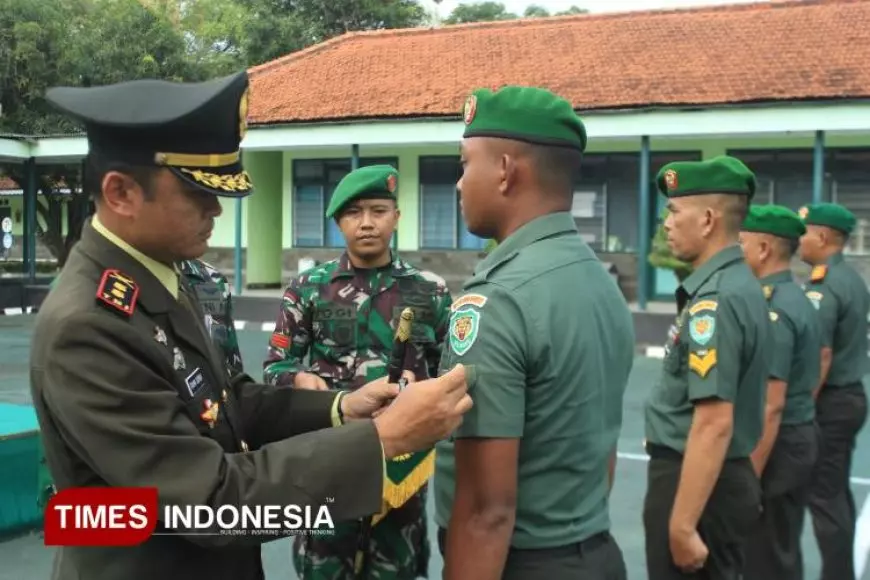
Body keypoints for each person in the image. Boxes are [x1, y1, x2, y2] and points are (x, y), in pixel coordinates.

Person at [30, 70, 472, 580]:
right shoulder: (88, 325)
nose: (217, 208)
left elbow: (229, 403)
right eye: (198, 193)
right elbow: (209, 502)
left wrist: (340, 407)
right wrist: (380, 441)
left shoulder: (164, 277)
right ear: (122, 193)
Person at [432, 85, 635, 580]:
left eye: (464, 164)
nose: (459, 184)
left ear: (504, 171)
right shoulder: (600, 283)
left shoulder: (498, 299)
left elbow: (486, 511)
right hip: (594, 553)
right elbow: (600, 449)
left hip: (520, 563)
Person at [263, 163, 452, 579]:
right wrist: (297, 379)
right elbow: (275, 367)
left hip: (402, 464)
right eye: (353, 213)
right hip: (331, 463)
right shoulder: (309, 287)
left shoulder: (430, 291)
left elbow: (449, 375)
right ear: (337, 223)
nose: (366, 223)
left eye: (378, 210)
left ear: (397, 217)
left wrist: (426, 391)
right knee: (324, 569)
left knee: (395, 569)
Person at [642, 155, 768, 579]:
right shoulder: (740, 285)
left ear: (709, 219)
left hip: (695, 488)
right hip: (715, 482)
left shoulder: (715, 301)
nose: (667, 223)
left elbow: (713, 422)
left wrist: (681, 524)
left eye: (676, 210)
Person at [36, 257, 242, 512]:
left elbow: (228, 370)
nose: (212, 215)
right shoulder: (88, 298)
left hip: (212, 460)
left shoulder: (208, 280)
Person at [738, 204, 820, 580]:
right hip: (795, 438)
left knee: (766, 556)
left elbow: (771, 404)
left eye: (741, 241)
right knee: (781, 549)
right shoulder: (795, 298)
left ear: (764, 248)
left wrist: (749, 477)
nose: (736, 249)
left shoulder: (774, 309)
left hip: (777, 445)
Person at [798, 202, 870, 580]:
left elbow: (821, 355)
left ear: (823, 236)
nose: (800, 240)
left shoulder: (824, 286)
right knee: (835, 492)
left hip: (830, 402)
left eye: (805, 232)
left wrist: (803, 407)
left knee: (823, 496)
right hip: (850, 397)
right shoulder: (852, 278)